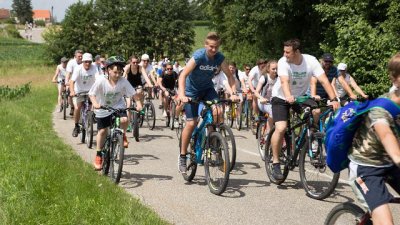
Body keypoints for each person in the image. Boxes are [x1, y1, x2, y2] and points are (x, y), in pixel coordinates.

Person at [269, 39, 340, 180]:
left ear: (297, 51)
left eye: (288, 52)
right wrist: (288, 96)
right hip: (281, 97)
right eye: (284, 51)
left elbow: (324, 80)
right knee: (281, 128)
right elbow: (284, 82)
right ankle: (275, 162)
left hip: (300, 97)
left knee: (316, 111)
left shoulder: (311, 61)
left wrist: (333, 99)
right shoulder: (283, 62)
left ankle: (311, 137)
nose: (285, 54)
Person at [348, 53, 400, 225]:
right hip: (367, 167)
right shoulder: (381, 109)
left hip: (391, 165)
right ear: (394, 78)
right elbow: (387, 137)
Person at [178, 32, 239, 173]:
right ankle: (182, 155)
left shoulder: (219, 58)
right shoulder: (199, 56)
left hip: (207, 89)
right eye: (211, 46)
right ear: (206, 45)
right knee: (192, 123)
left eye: (216, 47)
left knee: (218, 112)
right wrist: (182, 94)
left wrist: (234, 93)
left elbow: (230, 76)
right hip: (191, 91)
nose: (213, 49)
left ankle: (214, 145)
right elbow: (183, 75)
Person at [89, 56, 136, 170]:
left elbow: (132, 94)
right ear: (108, 70)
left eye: (120, 72)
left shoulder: (123, 81)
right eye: (115, 72)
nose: (117, 75)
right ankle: (99, 155)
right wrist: (95, 104)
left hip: (118, 105)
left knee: (125, 120)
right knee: (103, 131)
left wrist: (138, 104)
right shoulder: (101, 80)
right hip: (102, 107)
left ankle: (123, 135)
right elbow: (92, 94)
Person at [69, 53, 98, 137]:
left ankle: (91, 118)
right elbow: (72, 81)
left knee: (94, 106)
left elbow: (98, 79)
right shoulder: (78, 69)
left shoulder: (94, 68)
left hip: (90, 91)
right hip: (79, 91)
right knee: (77, 107)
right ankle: (76, 126)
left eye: (89, 62)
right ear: (82, 62)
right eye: (86, 62)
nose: (87, 64)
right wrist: (72, 91)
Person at [253, 60, 278, 135]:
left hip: (275, 101)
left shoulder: (279, 78)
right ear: (268, 69)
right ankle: (268, 134)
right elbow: (256, 92)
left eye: (277, 69)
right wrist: (261, 98)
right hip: (263, 102)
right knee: (272, 112)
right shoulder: (264, 78)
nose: (275, 71)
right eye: (273, 69)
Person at [65, 50, 83, 116]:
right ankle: (72, 107)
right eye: (79, 56)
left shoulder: (84, 62)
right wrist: (67, 82)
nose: (80, 58)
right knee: (69, 94)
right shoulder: (71, 62)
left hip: (82, 81)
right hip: (72, 81)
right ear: (75, 56)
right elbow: (68, 73)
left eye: (81, 56)